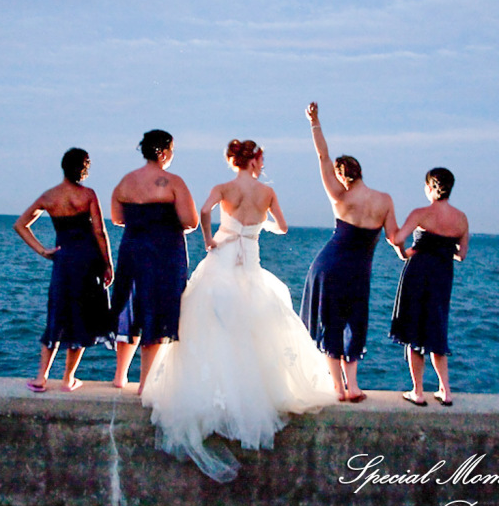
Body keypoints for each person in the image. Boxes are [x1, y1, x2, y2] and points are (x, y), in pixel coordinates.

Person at [141, 139, 336, 482]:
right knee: (252, 328)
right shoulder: (267, 193)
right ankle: (249, 399)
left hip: (222, 260)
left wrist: (208, 240)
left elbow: (203, 212)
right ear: (255, 160)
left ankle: (214, 397)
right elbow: (284, 227)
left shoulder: (224, 188)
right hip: (250, 264)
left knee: (209, 327)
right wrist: (262, 227)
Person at [300, 102, 400, 403]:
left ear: (342, 176)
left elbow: (322, 155)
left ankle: (338, 388)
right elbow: (395, 237)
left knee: (330, 323)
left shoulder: (339, 196)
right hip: (359, 271)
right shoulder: (384, 200)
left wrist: (314, 121)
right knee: (355, 323)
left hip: (329, 266)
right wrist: (408, 249)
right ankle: (353, 386)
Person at [14, 147, 114, 393]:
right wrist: (108, 263)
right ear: (83, 169)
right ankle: (68, 379)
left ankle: (41, 378)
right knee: (81, 317)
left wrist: (43, 250)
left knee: (57, 315)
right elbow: (100, 232)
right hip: (88, 261)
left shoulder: (49, 197)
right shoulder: (88, 195)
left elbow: (21, 225)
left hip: (64, 261)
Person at [110, 130, 199, 394]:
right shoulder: (172, 182)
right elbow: (191, 221)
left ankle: (120, 376)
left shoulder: (126, 181)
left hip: (133, 249)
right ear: (164, 152)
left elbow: (116, 217)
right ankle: (146, 383)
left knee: (131, 306)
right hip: (163, 253)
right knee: (156, 309)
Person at [389, 167, 470, 407]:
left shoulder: (420, 213)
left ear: (429, 188)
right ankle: (445, 391)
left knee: (414, 333)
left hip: (418, 274)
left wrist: (402, 250)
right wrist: (442, 248)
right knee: (436, 330)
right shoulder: (461, 219)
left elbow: (398, 241)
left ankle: (418, 391)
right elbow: (461, 255)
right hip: (442, 277)